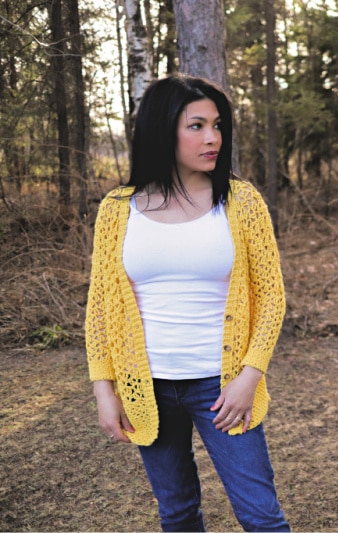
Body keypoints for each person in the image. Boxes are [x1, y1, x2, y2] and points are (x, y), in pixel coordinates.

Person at [85, 73, 290, 532]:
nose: (213, 137)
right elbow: (100, 307)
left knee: (260, 516)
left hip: (223, 387)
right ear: (163, 129)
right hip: (147, 385)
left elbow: (272, 296)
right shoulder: (118, 209)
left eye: (217, 125)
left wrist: (249, 377)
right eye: (196, 125)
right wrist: (104, 390)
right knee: (176, 512)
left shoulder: (241, 202)